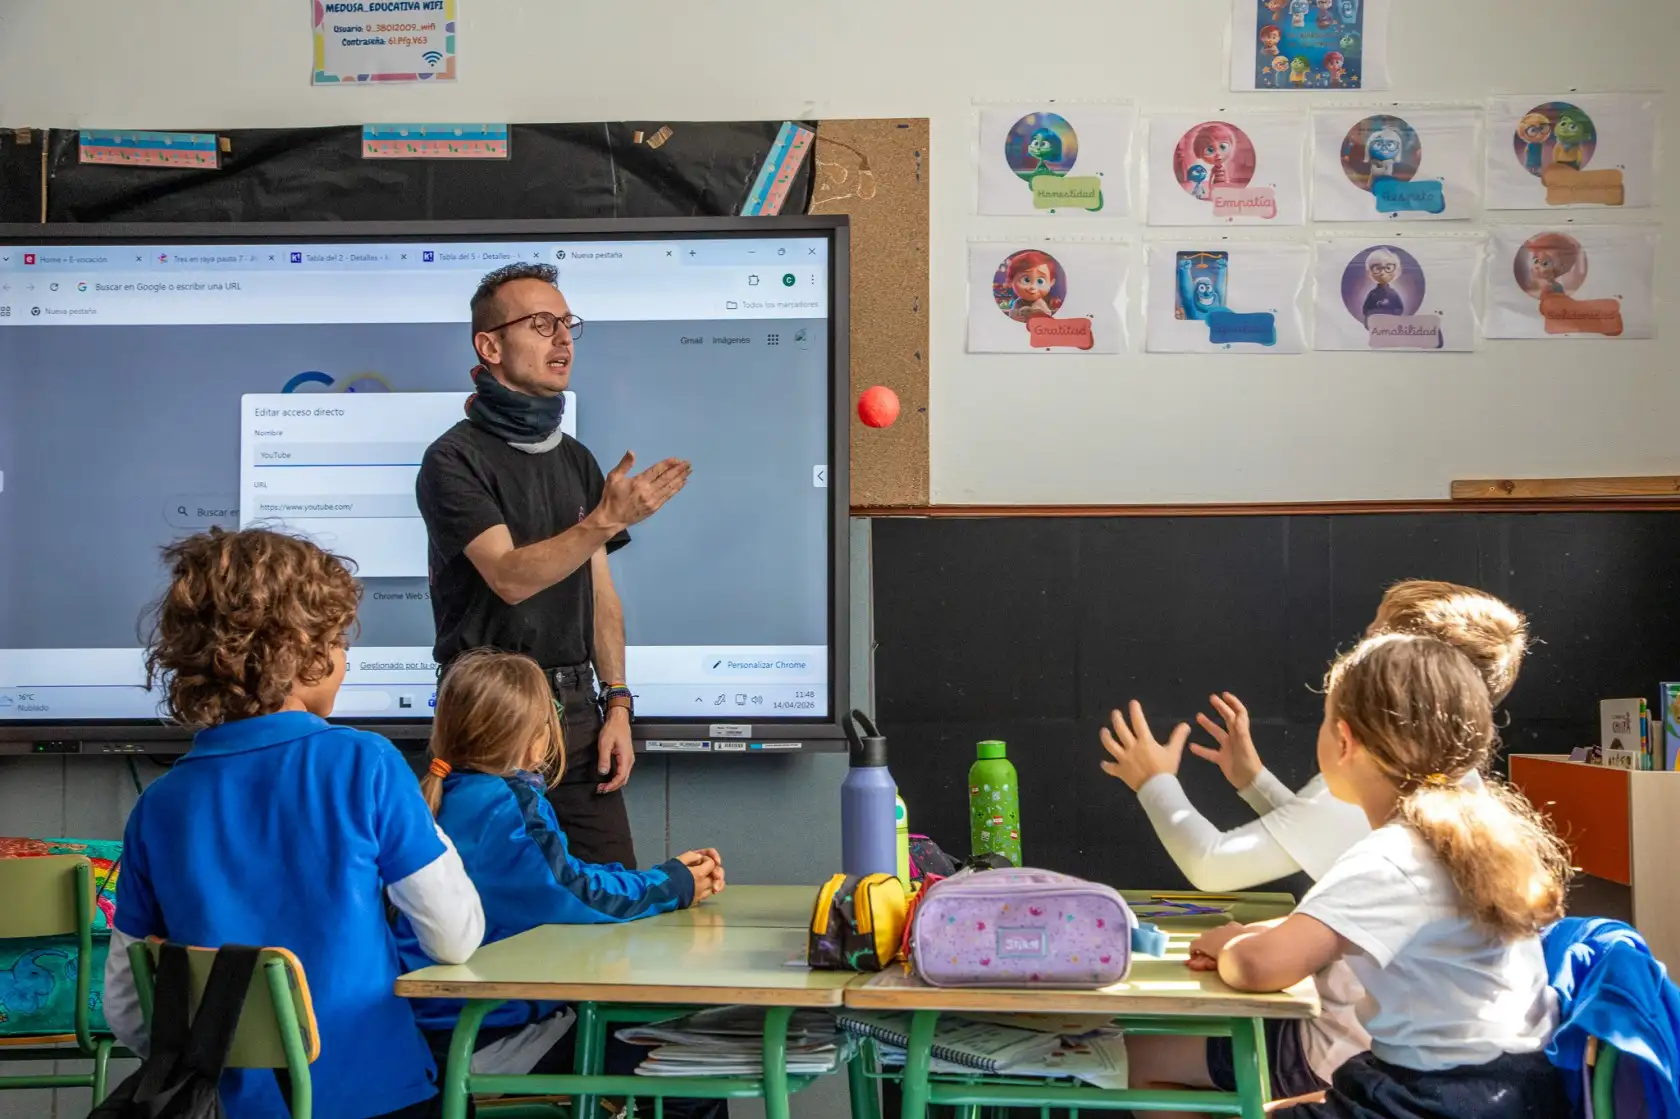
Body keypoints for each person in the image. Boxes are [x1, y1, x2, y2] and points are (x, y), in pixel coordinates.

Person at [103, 528, 486, 1119]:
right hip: (374, 1096)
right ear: (299, 650)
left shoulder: (159, 804)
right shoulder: (365, 762)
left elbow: (129, 1009)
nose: (345, 655)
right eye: (337, 638)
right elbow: (454, 935)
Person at [1100, 580, 1529, 1099]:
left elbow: (1215, 869)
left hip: (1366, 1064)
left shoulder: (1393, 849)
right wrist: (1253, 782)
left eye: (1372, 635)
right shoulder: (1465, 807)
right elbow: (1328, 845)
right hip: (1475, 1084)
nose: (1358, 641)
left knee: (1131, 1056)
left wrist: (1154, 782)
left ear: (1351, 733)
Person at [1186, 633, 1571, 1117]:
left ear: (1344, 741)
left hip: (1431, 1098)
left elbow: (1258, 968)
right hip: (1508, 1090)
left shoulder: (1393, 853)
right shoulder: (1474, 835)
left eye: (1325, 720)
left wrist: (1229, 945)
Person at [417, 262, 692, 868]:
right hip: (491, 716)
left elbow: (599, 595)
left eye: (568, 325)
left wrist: (616, 703)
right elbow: (509, 577)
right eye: (541, 324)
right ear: (489, 346)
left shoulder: (577, 459)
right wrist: (605, 519)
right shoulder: (452, 461)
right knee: (497, 915)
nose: (563, 339)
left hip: (577, 717)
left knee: (614, 901)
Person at [394, 650, 725, 1114]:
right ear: (534, 738)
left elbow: (560, 878)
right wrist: (672, 886)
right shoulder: (504, 801)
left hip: (443, 1029)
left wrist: (652, 878)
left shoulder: (444, 795)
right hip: (487, 1036)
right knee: (689, 1075)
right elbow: (572, 894)